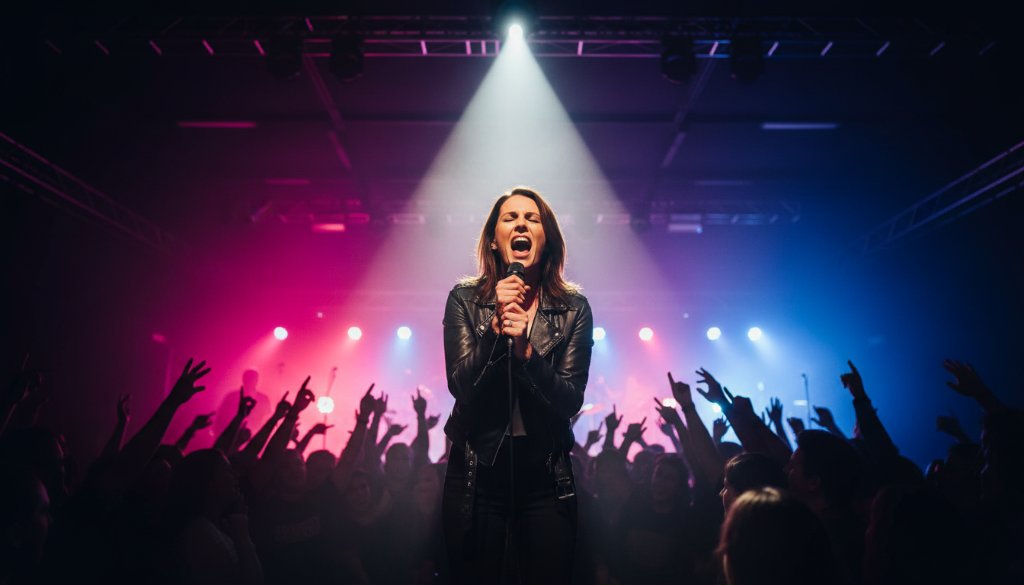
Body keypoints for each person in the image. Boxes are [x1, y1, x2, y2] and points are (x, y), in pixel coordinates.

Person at [441, 186, 594, 584]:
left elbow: (569, 400)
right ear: (494, 240)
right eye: (510, 218)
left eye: (533, 218)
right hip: (477, 470)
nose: (521, 223)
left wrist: (526, 354)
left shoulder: (573, 308)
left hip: (543, 472)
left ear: (547, 241)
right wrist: (494, 332)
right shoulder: (465, 299)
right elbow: (460, 386)